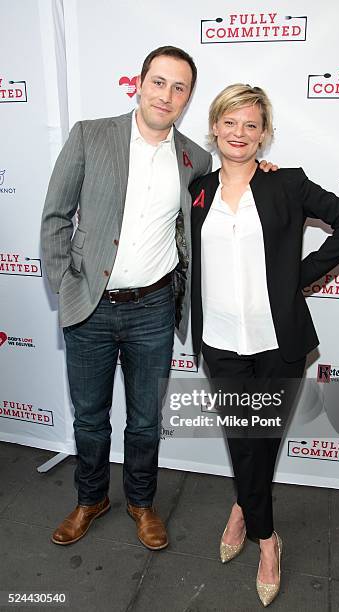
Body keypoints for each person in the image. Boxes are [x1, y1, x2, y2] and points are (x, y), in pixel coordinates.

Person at [41, 48, 276, 550]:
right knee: (89, 416)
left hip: (153, 308)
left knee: (146, 420)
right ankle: (90, 499)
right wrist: (67, 283)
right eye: (159, 82)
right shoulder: (90, 134)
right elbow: (56, 216)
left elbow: (228, 195)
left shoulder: (197, 157)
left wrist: (265, 171)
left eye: (179, 88)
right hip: (91, 304)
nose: (166, 95)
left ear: (188, 98)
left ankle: (142, 504)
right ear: (140, 84)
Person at [189, 84, 339, 606]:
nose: (239, 133)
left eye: (250, 124)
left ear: (264, 134)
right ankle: (263, 529)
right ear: (215, 127)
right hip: (220, 339)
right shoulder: (195, 188)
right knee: (245, 439)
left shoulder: (286, 184)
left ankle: (252, 519)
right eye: (229, 122)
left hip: (278, 340)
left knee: (259, 438)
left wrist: (298, 276)